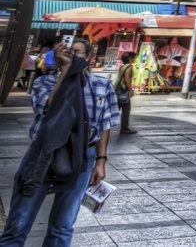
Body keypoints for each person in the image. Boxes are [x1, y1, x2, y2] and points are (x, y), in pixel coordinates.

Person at [0, 38, 119, 247]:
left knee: (63, 225)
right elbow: (49, 108)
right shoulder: (44, 83)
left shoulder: (102, 85)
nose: (71, 55)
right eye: (66, 51)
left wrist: (101, 160)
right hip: (44, 154)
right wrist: (65, 71)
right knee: (19, 223)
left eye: (77, 52)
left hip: (82, 156)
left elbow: (104, 125)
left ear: (89, 57)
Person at [115, 51, 137, 135]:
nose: (134, 60)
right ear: (130, 58)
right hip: (123, 90)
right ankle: (124, 128)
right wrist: (131, 89)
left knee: (117, 108)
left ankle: (104, 124)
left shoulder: (122, 66)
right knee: (126, 110)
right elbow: (127, 79)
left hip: (118, 90)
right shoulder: (129, 67)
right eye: (133, 58)